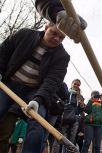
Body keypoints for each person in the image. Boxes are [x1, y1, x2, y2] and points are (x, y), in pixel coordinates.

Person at [0, 22, 70, 153]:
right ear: (46, 27)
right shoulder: (25, 35)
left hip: (34, 91)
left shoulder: (62, 57)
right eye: (54, 33)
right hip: (9, 83)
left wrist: (38, 99)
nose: (56, 39)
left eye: (61, 37)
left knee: (38, 123)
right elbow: (3, 51)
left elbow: (53, 81)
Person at [60, 79, 85, 152]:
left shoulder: (80, 96)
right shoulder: (66, 93)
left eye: (78, 85)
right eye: (75, 84)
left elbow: (81, 110)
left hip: (75, 120)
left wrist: (82, 105)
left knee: (72, 139)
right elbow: (62, 104)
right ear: (71, 84)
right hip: (65, 118)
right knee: (63, 138)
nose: (76, 86)